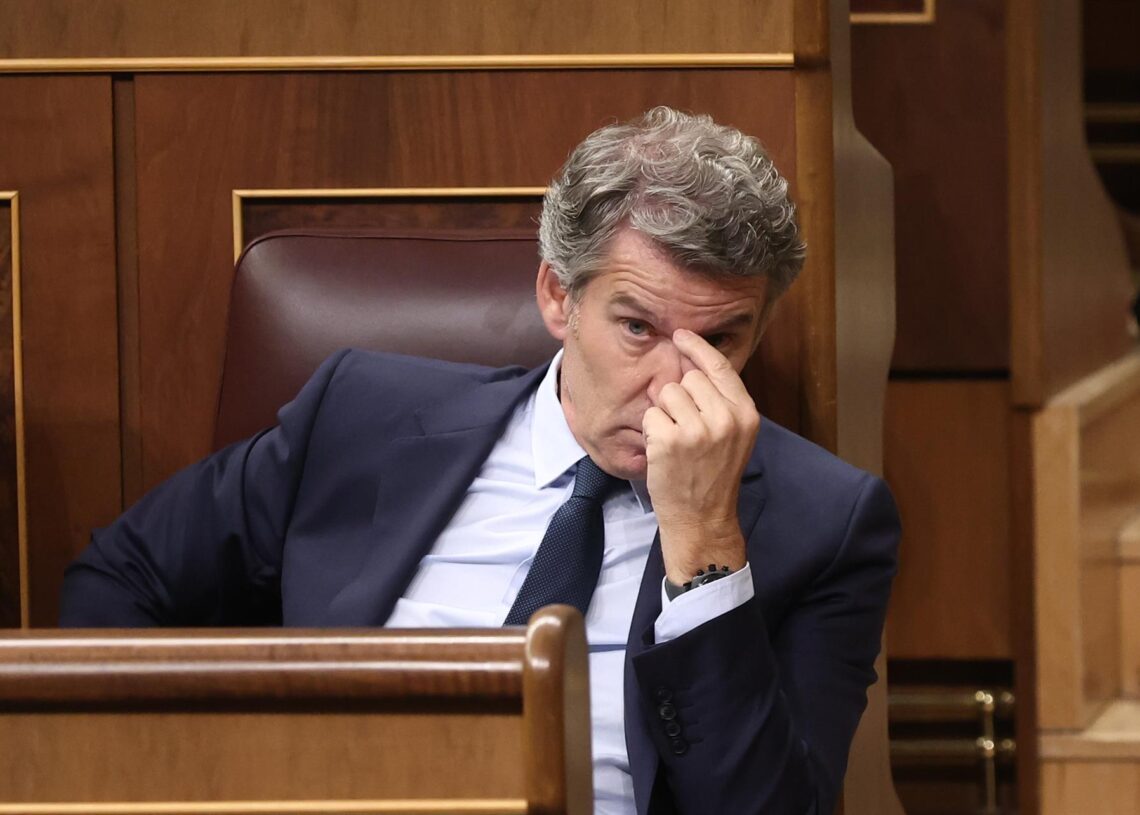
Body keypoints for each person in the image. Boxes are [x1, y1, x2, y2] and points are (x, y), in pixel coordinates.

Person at [61, 107, 899, 815]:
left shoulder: (824, 521)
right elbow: (120, 576)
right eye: (638, 328)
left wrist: (706, 544)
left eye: (721, 339)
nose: (672, 384)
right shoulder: (362, 415)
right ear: (557, 296)